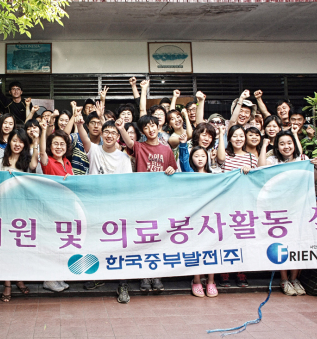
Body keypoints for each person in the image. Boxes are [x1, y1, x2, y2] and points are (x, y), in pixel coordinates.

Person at [117, 115, 176, 293]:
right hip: (141, 199)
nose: (150, 129)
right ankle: (144, 274)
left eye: (153, 125)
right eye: (146, 127)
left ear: (159, 127)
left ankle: (156, 274)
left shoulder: (167, 151)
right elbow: (128, 142)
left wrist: (172, 170)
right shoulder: (139, 147)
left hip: (160, 200)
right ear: (142, 131)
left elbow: (174, 170)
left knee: (158, 238)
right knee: (143, 237)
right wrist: (120, 128)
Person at [76, 116, 132, 302]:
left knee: (119, 245)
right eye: (106, 131)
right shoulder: (94, 151)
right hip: (94, 206)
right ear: (101, 133)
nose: (109, 135)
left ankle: (123, 284)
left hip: (117, 208)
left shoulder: (124, 158)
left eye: (113, 133)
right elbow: (84, 137)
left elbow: (127, 185)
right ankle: (96, 277)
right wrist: (78, 123)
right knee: (94, 241)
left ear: (118, 136)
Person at [259, 130, 317, 296]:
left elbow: (313, 179)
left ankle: (295, 279)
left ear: (294, 144)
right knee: (282, 243)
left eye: (289, 143)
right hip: (279, 209)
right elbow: (260, 170)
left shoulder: (303, 160)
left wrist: (316, 167)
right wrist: (265, 146)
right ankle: (284, 279)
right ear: (277, 147)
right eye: (282, 144)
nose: (286, 147)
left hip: (300, 209)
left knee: (299, 242)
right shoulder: (272, 160)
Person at [0, 127, 37, 301]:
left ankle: (18, 278)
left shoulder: (27, 163)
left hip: (22, 213)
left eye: (21, 141)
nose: (17, 144)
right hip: (3, 212)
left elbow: (35, 163)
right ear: (8, 142)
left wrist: (35, 140)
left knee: (20, 248)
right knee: (6, 249)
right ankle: (7, 284)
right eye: (14, 140)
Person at [178, 134, 218, 298]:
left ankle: (210, 281)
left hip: (212, 218)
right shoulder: (189, 173)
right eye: (196, 155)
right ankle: (196, 280)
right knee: (196, 249)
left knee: (212, 249)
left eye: (203, 156)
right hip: (195, 219)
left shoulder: (216, 174)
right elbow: (183, 161)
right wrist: (182, 145)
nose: (200, 159)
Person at [216, 124, 255, 289]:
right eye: (235, 136)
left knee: (242, 237)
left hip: (244, 203)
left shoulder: (251, 157)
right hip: (226, 202)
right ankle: (224, 273)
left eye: (241, 136)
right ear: (229, 139)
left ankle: (241, 272)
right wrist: (220, 134)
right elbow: (220, 159)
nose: (238, 139)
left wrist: (249, 170)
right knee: (226, 238)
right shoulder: (226, 155)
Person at [38, 119, 73, 293]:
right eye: (55, 144)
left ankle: (58, 276)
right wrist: (44, 130)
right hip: (51, 209)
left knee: (62, 244)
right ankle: (49, 279)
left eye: (62, 144)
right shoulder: (47, 162)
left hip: (66, 210)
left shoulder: (67, 162)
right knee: (52, 245)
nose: (58, 147)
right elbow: (42, 151)